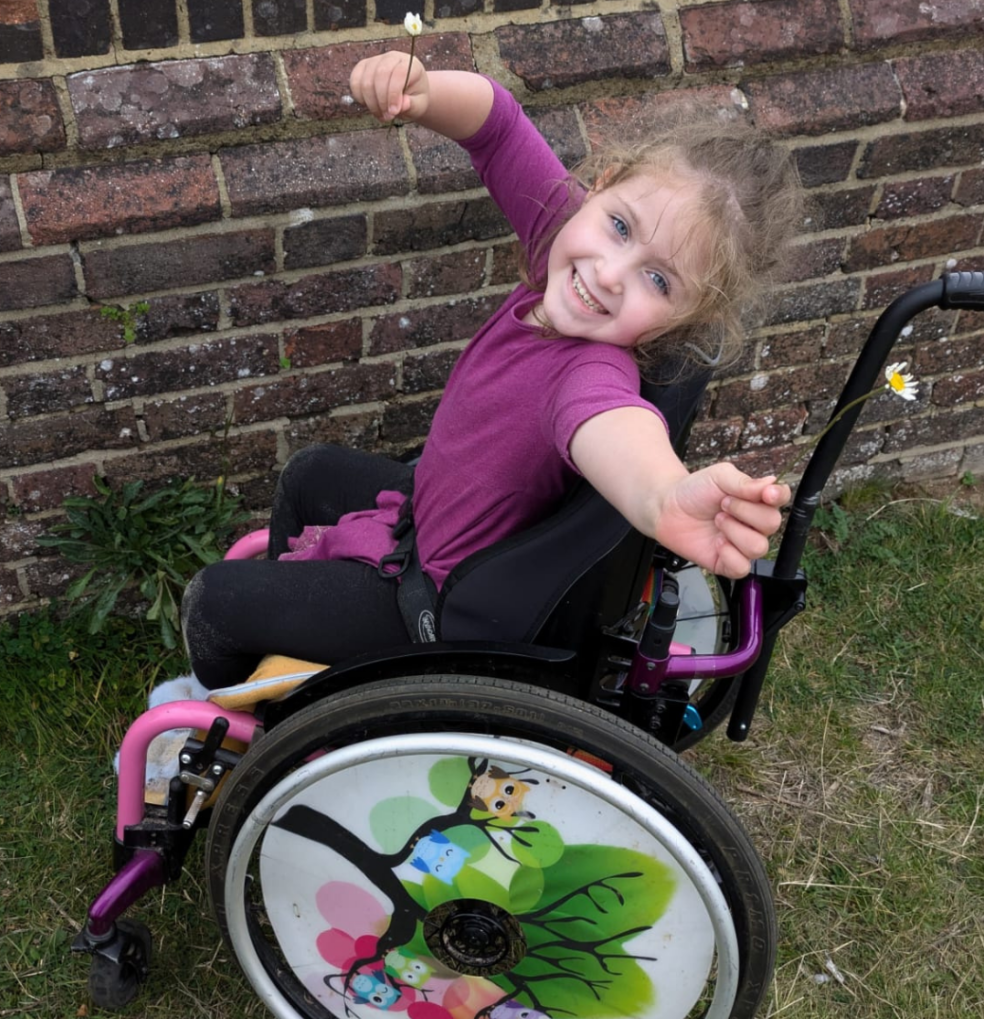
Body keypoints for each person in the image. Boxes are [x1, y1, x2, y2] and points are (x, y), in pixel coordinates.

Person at [181, 54, 803, 688]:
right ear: (602, 184)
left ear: (688, 317)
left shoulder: (591, 372)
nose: (610, 273)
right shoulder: (561, 239)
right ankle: (294, 666)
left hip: (429, 606)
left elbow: (616, 428)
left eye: (658, 280)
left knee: (213, 604)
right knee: (308, 475)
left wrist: (664, 498)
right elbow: (498, 127)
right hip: (422, 517)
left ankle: (256, 718)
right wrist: (424, 92)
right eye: (620, 226)